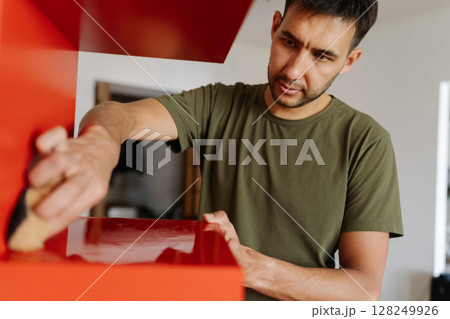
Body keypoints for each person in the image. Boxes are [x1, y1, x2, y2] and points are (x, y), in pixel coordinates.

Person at [29, 0, 403, 300]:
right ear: (274, 27)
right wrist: (100, 143)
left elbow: (364, 290)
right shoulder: (218, 103)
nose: (293, 70)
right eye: (289, 42)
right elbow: (116, 113)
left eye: (322, 57)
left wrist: (248, 267)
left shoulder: (366, 141)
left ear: (349, 62)